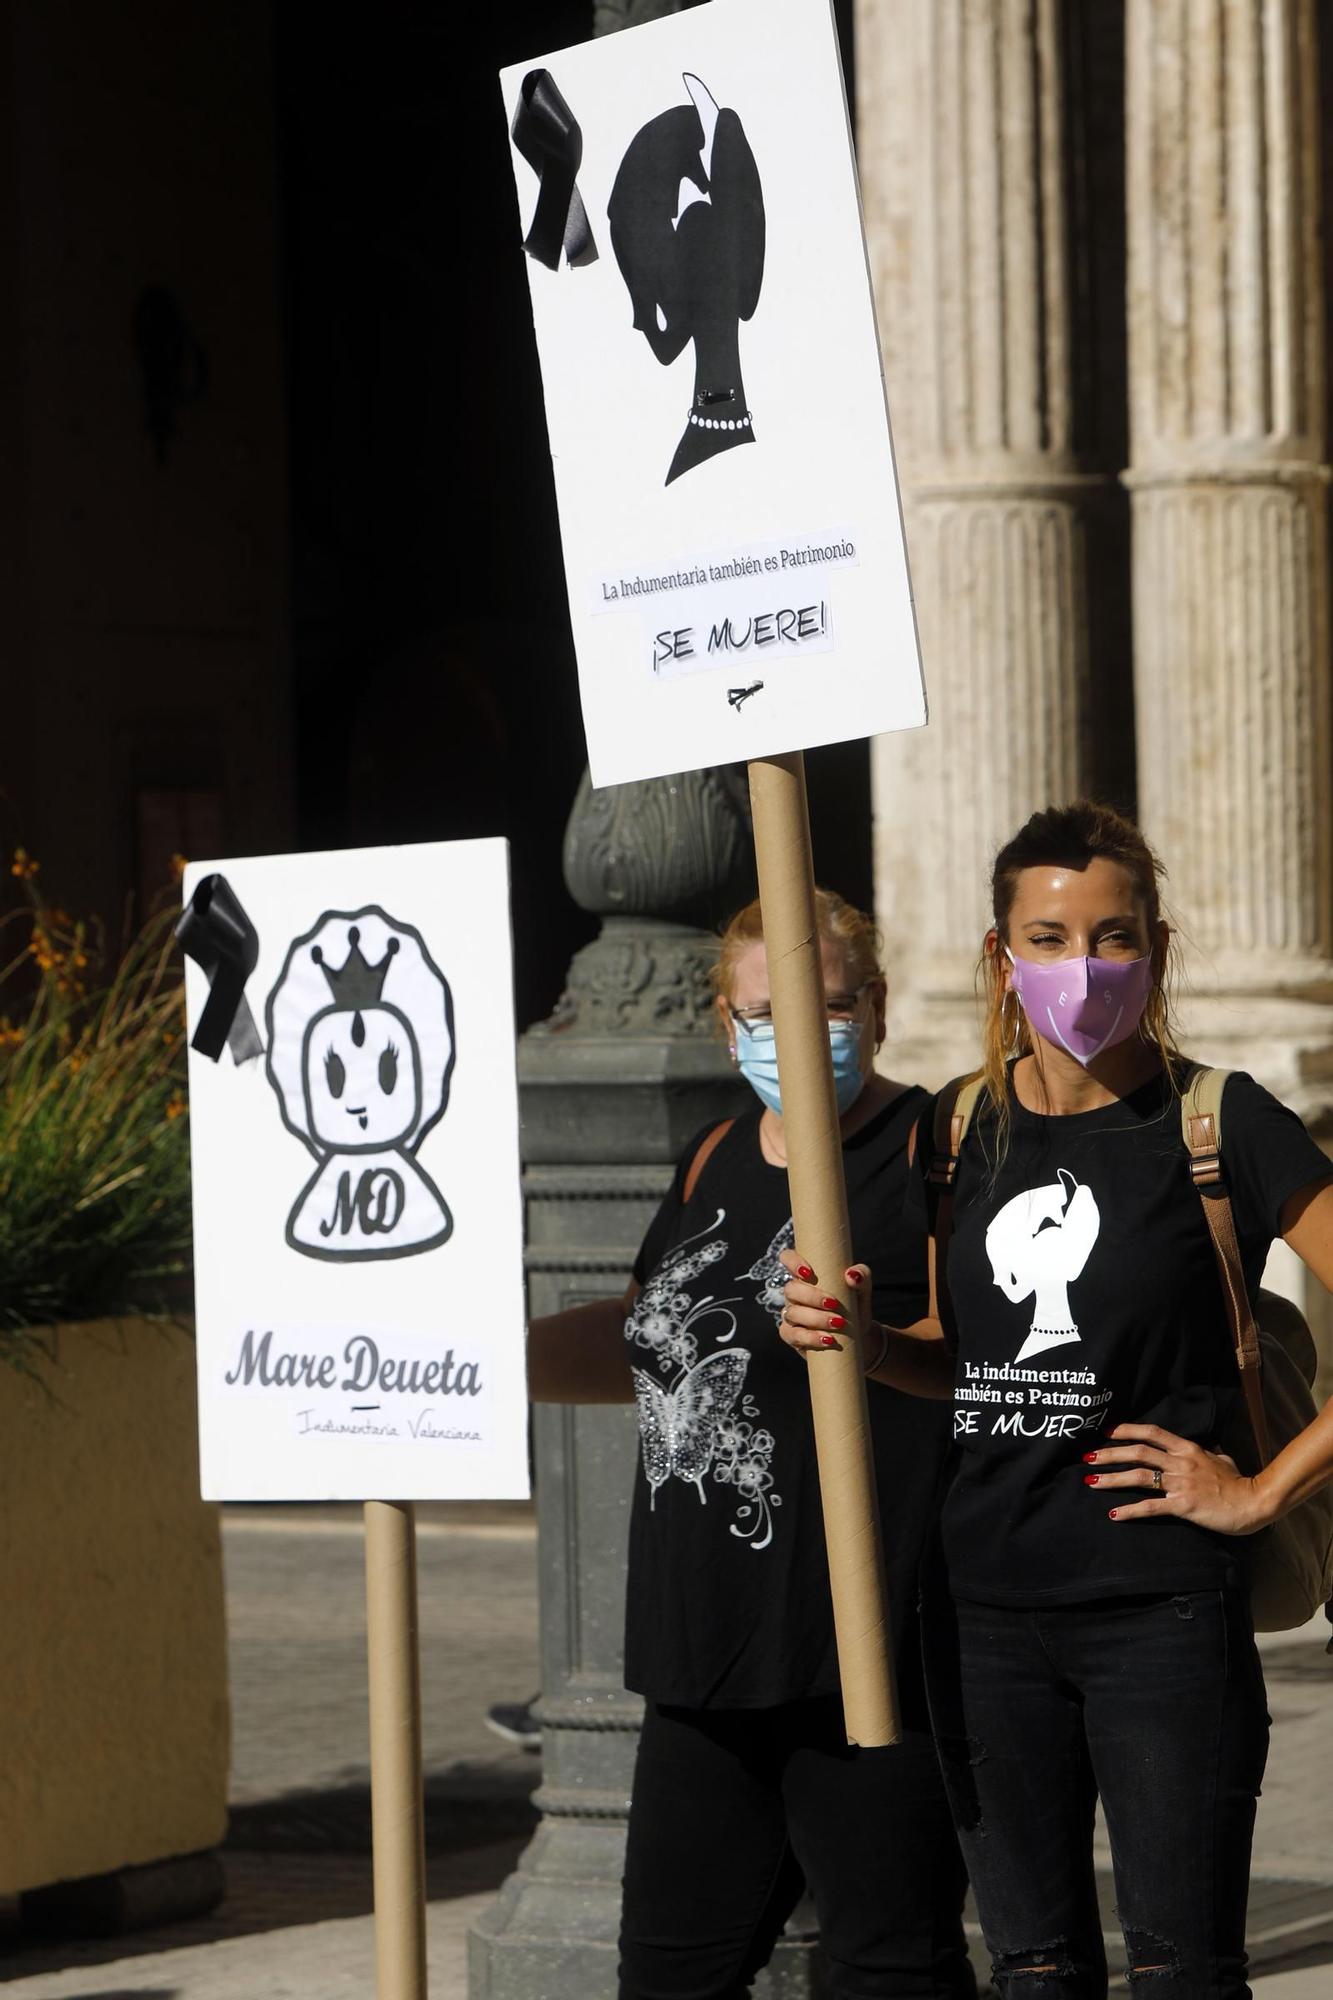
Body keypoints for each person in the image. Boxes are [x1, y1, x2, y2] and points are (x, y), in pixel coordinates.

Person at [779, 803, 1333, 2000]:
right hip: (978, 1617)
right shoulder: (957, 1129)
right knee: (1033, 1971)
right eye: (1049, 935)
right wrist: (869, 1341)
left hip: (1159, 1619)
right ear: (1001, 955)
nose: (1084, 967)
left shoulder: (1219, 1119)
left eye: (1114, 935)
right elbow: (956, 1354)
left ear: (1158, 948)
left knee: (1184, 1970)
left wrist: (1255, 1491)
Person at [528, 888, 975, 2000]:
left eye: (827, 1004)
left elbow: (985, 1360)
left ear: (875, 1008)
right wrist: (479, 1365)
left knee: (888, 1965)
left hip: (865, 1649)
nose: (796, 1034)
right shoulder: (713, 1151)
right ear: (728, 1026)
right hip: (703, 1644)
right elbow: (642, 1333)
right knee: (672, 1973)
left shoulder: (934, 1148)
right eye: (766, 1012)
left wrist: (875, 1340)